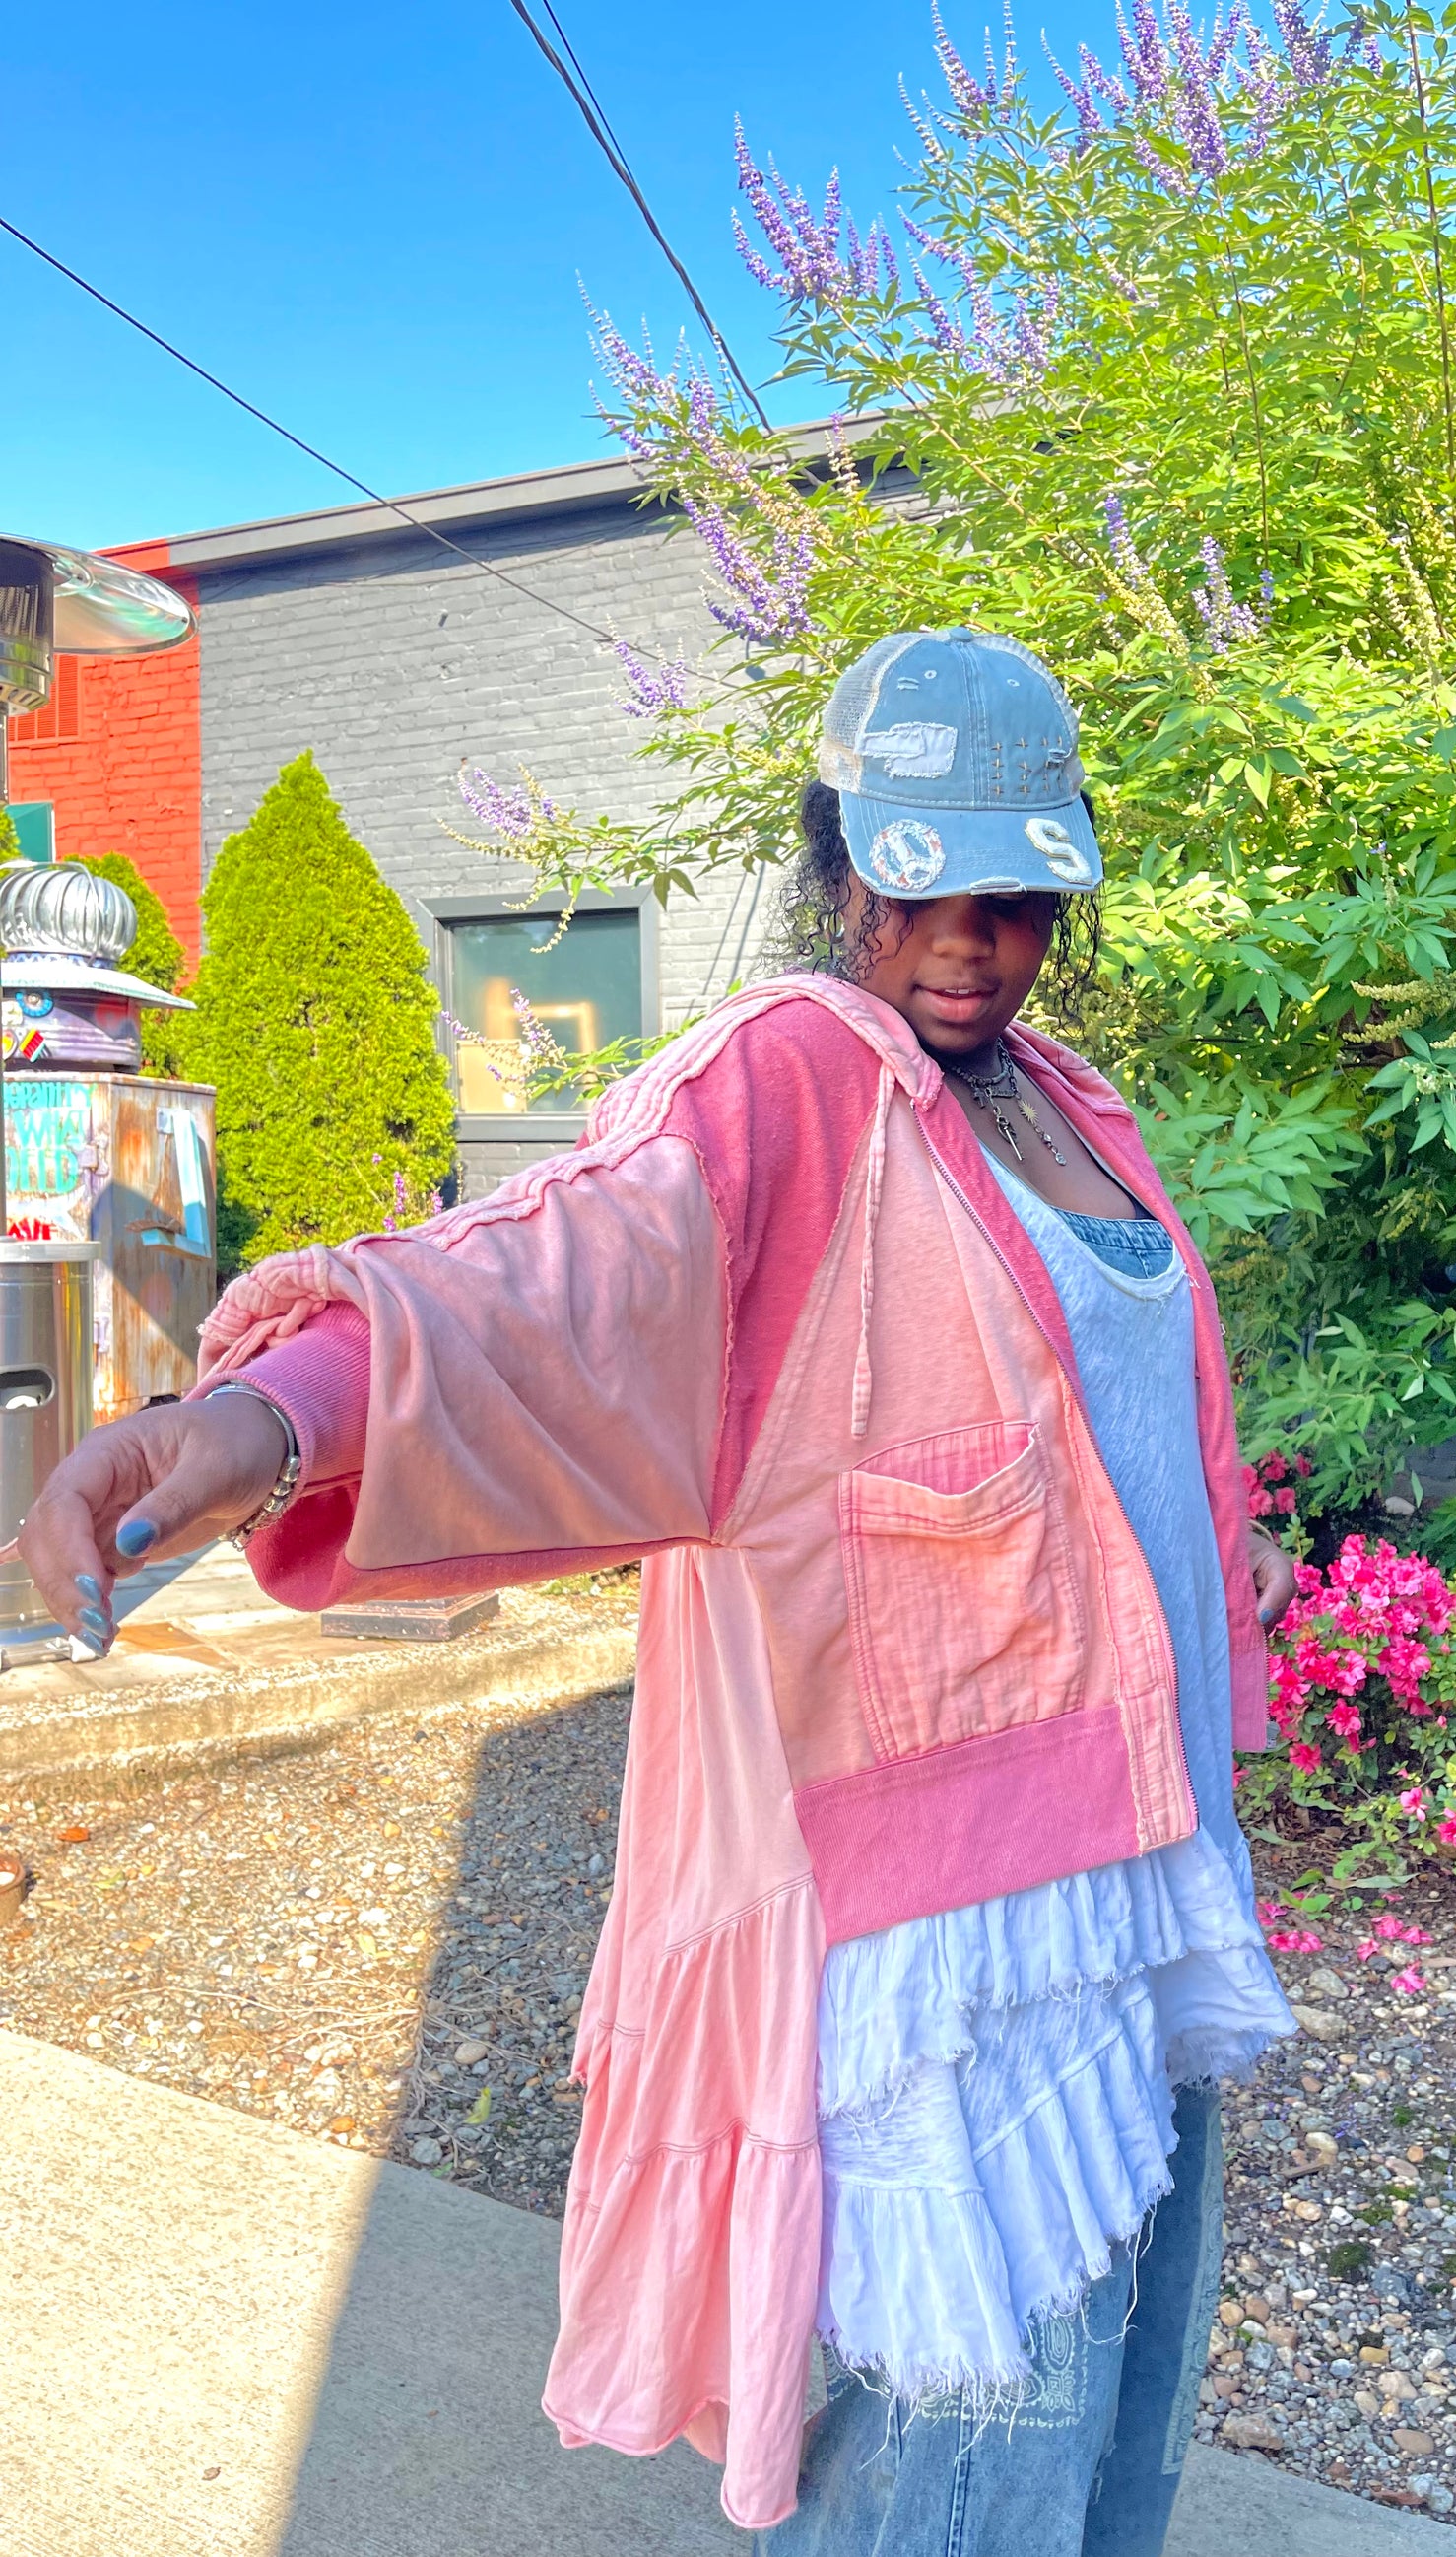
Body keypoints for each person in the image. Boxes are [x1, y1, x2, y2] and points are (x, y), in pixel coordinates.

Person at [16, 627, 1295, 2555]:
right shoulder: (793, 1079)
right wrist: (264, 1417)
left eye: (1015, 893)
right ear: (836, 864)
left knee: (1120, 2405)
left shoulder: (1072, 1104)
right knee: (975, 2446)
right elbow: (549, 1278)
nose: (967, 939)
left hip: (1146, 1837)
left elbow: (1118, 1424)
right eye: (918, 884)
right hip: (952, 1911)